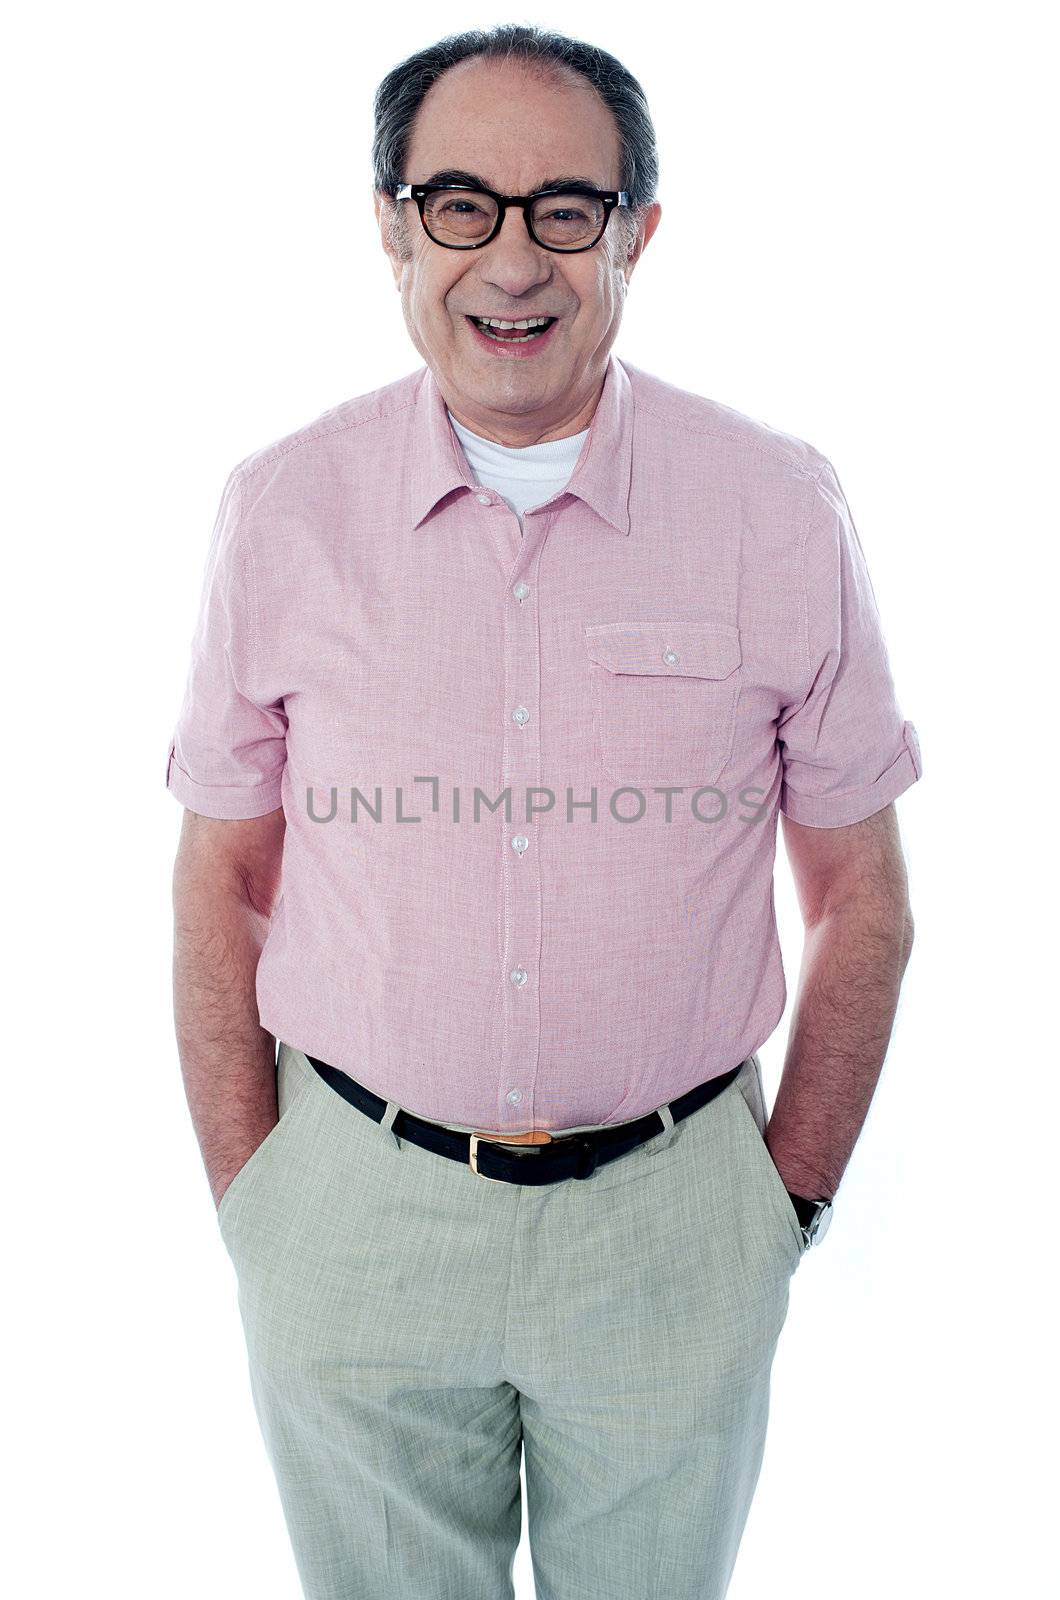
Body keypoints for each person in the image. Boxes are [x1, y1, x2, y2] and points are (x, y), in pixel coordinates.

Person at [167, 23, 921, 1600]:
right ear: (390, 222)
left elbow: (861, 892)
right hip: (353, 1222)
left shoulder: (777, 507)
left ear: (637, 229)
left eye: (564, 208)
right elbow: (226, 870)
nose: (512, 259)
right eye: (459, 203)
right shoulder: (283, 506)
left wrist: (777, 1201)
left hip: (673, 1228)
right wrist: (263, 1200)